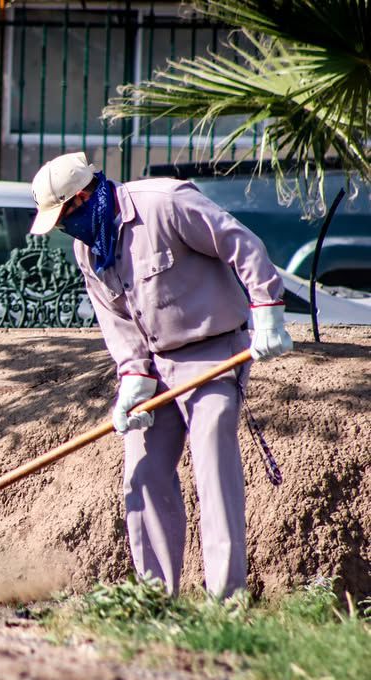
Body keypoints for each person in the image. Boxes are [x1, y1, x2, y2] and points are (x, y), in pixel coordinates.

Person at [28, 152, 293, 599]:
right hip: (154, 365)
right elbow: (117, 322)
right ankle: (155, 599)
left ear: (84, 196)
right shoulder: (89, 249)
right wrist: (133, 379)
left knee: (212, 464)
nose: (61, 227)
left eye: (63, 215)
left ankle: (226, 602)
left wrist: (267, 311)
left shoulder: (165, 202)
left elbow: (240, 244)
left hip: (213, 354)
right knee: (144, 474)